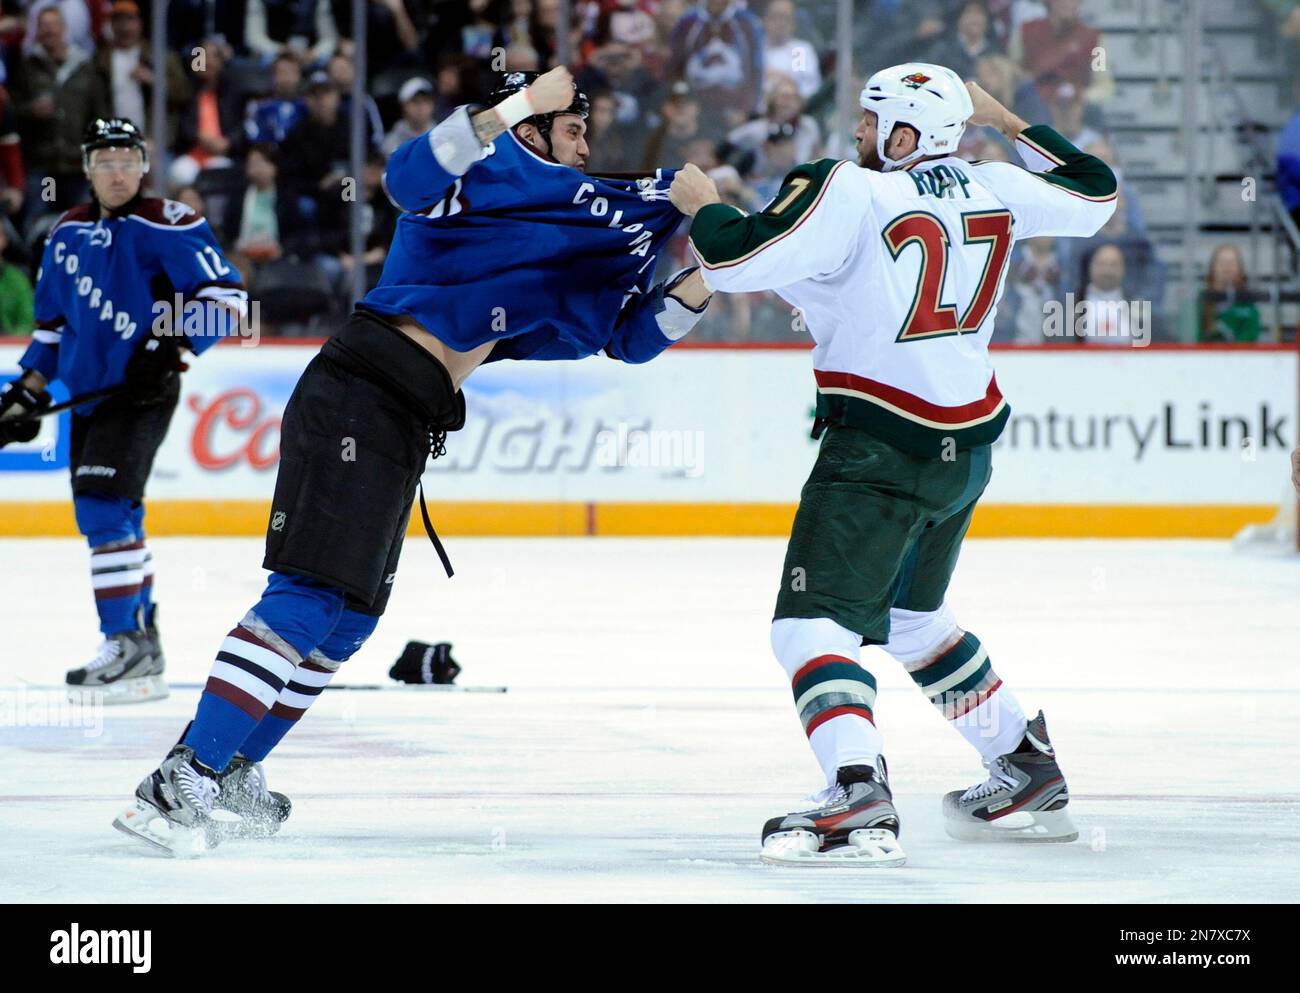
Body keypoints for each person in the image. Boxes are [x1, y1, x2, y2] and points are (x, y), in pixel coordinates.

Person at [112, 67, 714, 857]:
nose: (587, 146)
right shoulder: (488, 172)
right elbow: (407, 175)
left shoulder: (566, 238)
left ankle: (226, 766)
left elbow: (633, 337)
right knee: (307, 595)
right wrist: (517, 104)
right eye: (572, 129)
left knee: (350, 617)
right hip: (358, 392)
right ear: (532, 132)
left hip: (403, 415)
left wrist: (711, 267)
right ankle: (180, 772)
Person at [669, 63, 1117, 865]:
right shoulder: (997, 184)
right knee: (913, 621)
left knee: (809, 626)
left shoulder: (851, 189)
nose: (857, 134)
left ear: (905, 134)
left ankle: (855, 786)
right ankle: (1022, 760)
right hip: (966, 447)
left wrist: (705, 206)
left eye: (871, 121)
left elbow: (735, 262)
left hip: (878, 446)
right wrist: (1007, 120)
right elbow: (1097, 194)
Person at [0, 117, 248, 703]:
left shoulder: (172, 222)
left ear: (144, 164)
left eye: (127, 159)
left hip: (141, 395)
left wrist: (172, 344)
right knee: (120, 514)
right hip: (87, 402)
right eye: (104, 160)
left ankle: (124, 642)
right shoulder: (63, 234)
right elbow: (54, 328)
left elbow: (228, 297)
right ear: (86, 168)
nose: (116, 171)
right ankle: (143, 642)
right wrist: (28, 390)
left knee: (102, 506)